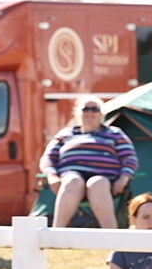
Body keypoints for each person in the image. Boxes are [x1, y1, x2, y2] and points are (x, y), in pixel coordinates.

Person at [39, 96, 137, 228]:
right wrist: (52, 177)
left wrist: (123, 179)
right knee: (72, 181)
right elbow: (48, 158)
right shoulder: (65, 134)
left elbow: (130, 158)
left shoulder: (114, 133)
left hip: (105, 181)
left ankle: (113, 238)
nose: (90, 112)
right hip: (70, 179)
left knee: (97, 183)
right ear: (78, 113)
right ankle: (57, 233)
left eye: (94, 109)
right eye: (85, 109)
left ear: (101, 114)